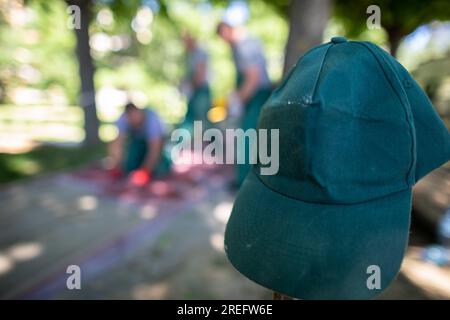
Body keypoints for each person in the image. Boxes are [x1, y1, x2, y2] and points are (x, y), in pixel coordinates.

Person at [217, 21, 272, 186]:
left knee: (247, 136)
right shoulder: (239, 47)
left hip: (256, 96)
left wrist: (237, 100)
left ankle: (246, 181)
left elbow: (253, 78)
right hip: (254, 96)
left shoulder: (244, 46)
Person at [108, 102, 171, 186]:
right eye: (131, 118)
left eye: (135, 117)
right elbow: (117, 143)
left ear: (139, 112)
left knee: (160, 169)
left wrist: (145, 171)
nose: (133, 120)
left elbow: (155, 148)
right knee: (129, 167)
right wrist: (116, 165)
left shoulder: (152, 120)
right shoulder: (123, 119)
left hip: (157, 143)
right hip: (137, 143)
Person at [180, 32, 212, 132]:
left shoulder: (199, 53)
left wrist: (188, 85)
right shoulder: (190, 55)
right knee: (191, 119)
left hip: (201, 91)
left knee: (200, 120)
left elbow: (200, 75)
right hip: (195, 92)